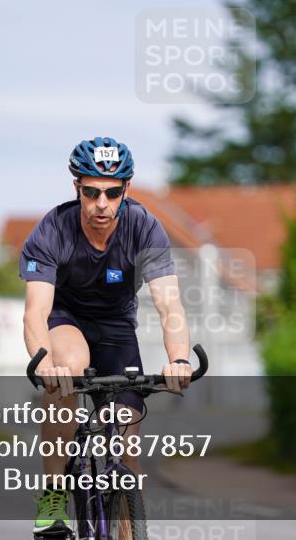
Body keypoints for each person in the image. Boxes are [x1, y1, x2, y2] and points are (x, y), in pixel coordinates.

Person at [21, 136, 193, 536]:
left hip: (117, 326)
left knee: (127, 451)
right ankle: (53, 495)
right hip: (66, 319)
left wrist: (180, 357)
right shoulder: (52, 231)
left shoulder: (144, 226)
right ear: (77, 188)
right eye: (92, 192)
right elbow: (35, 312)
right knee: (69, 369)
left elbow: (170, 306)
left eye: (113, 193)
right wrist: (45, 361)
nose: (102, 204)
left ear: (126, 190)